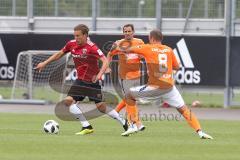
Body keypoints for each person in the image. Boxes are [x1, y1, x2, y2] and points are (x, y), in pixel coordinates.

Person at [113, 29, 213, 139]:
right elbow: (177, 67)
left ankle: (133, 125)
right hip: (169, 87)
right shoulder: (168, 50)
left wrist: (117, 46)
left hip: (155, 87)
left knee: (129, 96)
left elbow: (127, 50)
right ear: (161, 39)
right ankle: (200, 132)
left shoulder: (147, 47)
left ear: (151, 38)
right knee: (183, 109)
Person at [35, 24, 128, 135]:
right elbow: (60, 53)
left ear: (85, 35)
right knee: (68, 102)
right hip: (80, 81)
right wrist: (44, 63)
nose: (76, 38)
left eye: (78, 35)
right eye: (75, 35)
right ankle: (86, 126)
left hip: (92, 82)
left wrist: (99, 74)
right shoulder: (71, 44)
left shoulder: (92, 47)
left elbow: (105, 61)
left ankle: (123, 121)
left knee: (101, 107)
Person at [107, 24, 145, 131]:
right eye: (125, 31)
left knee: (131, 98)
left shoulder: (140, 42)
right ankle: (137, 123)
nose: (127, 33)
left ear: (133, 32)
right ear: (123, 33)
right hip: (124, 75)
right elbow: (110, 54)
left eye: (129, 31)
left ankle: (115, 112)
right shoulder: (118, 43)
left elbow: (144, 55)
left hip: (137, 75)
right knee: (131, 99)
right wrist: (107, 67)